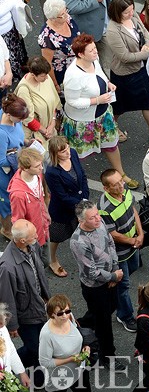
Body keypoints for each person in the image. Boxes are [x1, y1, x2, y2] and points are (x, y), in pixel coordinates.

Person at [63, 34, 136, 186]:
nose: (96, 52)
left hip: (103, 114)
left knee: (111, 145)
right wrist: (96, 100)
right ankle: (75, 179)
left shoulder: (93, 60)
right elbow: (72, 101)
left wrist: (108, 84)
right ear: (80, 54)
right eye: (91, 50)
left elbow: (100, 74)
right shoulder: (73, 75)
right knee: (79, 155)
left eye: (95, 48)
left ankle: (121, 174)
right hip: (83, 121)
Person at [69, 200, 123, 370]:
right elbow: (91, 272)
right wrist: (113, 276)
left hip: (110, 278)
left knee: (110, 307)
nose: (98, 219)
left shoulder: (100, 224)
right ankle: (108, 357)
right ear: (81, 220)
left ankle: (81, 323)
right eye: (92, 218)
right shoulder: (78, 242)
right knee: (104, 323)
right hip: (95, 287)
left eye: (97, 214)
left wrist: (115, 268)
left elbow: (111, 244)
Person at [0, 220, 50, 375]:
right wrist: (12, 325)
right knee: (36, 349)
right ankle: (37, 377)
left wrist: (47, 299)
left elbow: (39, 275)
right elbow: (6, 298)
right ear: (22, 240)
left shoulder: (32, 246)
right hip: (26, 316)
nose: (37, 235)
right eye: (33, 234)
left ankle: (13, 364)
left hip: (40, 307)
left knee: (39, 345)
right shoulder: (7, 267)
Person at [103, 0, 149, 135]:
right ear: (117, 12)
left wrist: (147, 45)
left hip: (140, 69)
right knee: (118, 106)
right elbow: (125, 57)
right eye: (127, 12)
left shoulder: (134, 17)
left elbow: (145, 32)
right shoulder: (113, 30)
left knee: (148, 102)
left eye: (132, 9)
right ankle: (110, 130)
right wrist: (147, 52)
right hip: (124, 75)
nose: (131, 13)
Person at [36, 294, 96, 392]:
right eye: (60, 313)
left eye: (67, 311)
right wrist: (71, 358)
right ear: (52, 314)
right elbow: (45, 362)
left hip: (79, 370)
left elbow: (77, 334)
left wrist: (86, 347)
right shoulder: (47, 335)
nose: (65, 315)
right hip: (60, 376)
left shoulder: (69, 317)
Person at [46, 138, 88, 278]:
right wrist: (81, 204)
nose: (67, 152)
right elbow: (62, 196)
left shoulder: (73, 154)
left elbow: (83, 177)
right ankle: (52, 260)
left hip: (80, 203)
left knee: (83, 233)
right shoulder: (52, 172)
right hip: (62, 210)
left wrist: (85, 198)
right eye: (63, 151)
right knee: (57, 237)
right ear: (55, 154)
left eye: (67, 148)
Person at [8, 148, 50, 261]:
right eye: (37, 166)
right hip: (32, 238)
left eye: (41, 164)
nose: (41, 168)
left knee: (46, 260)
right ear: (25, 168)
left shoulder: (37, 176)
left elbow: (41, 197)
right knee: (38, 265)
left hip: (44, 228)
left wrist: (46, 214)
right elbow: (18, 221)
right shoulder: (18, 195)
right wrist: (26, 243)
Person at [15, 56, 60, 151]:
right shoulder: (24, 90)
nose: (47, 78)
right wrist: (46, 132)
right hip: (37, 133)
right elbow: (28, 119)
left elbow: (54, 102)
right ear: (32, 74)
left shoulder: (46, 79)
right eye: (43, 76)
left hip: (49, 128)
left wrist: (52, 124)